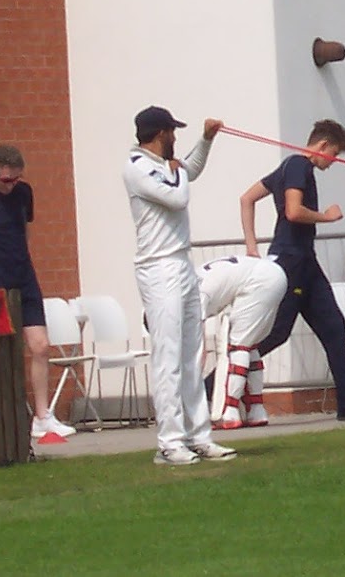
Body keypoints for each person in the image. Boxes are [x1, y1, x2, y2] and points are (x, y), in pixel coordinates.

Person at [239, 119, 345, 422]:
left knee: (334, 327)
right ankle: (210, 388)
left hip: (306, 261)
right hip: (290, 262)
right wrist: (327, 217)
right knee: (275, 333)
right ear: (322, 146)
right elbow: (292, 211)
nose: (333, 162)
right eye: (334, 155)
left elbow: (247, 198)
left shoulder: (289, 168)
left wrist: (252, 246)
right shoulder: (297, 166)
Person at [123, 105, 236, 467]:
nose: (175, 138)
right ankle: (169, 442)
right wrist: (179, 172)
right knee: (168, 356)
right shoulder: (137, 167)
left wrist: (206, 139)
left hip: (181, 265)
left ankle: (198, 436)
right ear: (160, 134)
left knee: (191, 355)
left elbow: (190, 170)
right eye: (173, 132)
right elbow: (178, 196)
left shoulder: (168, 168)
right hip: (158, 269)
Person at [0, 144, 75, 441]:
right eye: (6, 181)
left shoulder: (24, 193)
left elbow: (25, 230)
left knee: (40, 345)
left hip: (23, 275)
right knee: (3, 350)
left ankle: (43, 415)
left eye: (16, 179)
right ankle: (7, 413)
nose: (11, 186)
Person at [199, 254, 288, 429]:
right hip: (272, 274)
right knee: (248, 345)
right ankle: (256, 410)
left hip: (259, 281)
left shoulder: (193, 296)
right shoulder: (190, 283)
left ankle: (228, 412)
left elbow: (199, 350)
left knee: (236, 346)